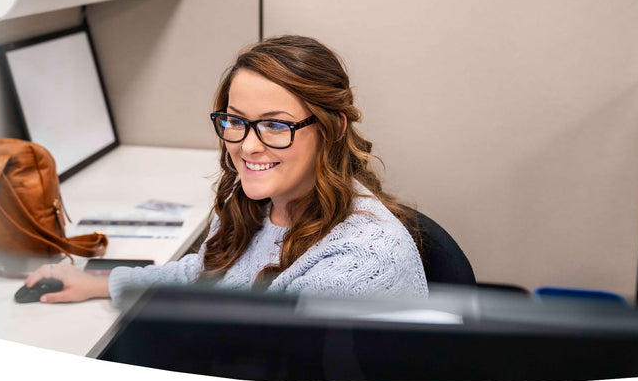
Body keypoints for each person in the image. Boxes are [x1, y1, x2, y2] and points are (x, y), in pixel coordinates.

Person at [25, 35, 427, 305]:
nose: (247, 145)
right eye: (236, 121)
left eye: (275, 124)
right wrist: (103, 283)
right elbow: (207, 273)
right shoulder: (261, 200)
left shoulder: (358, 264)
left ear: (333, 127)